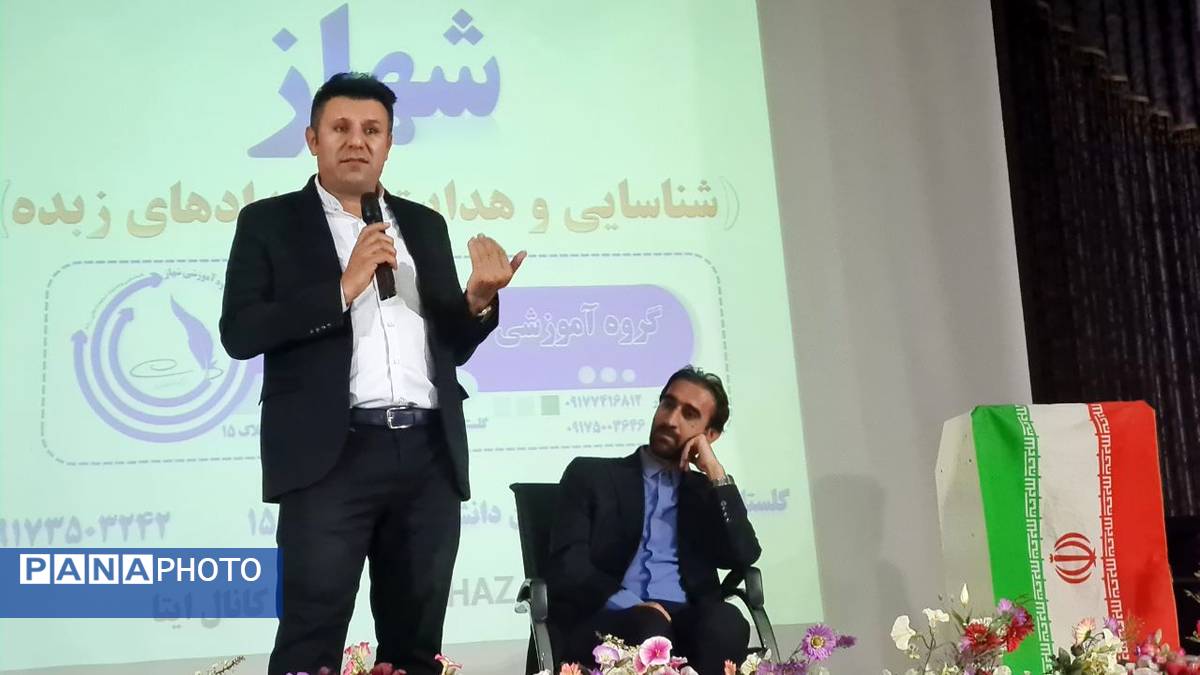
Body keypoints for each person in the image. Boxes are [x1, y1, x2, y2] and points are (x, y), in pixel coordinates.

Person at [219, 72, 524, 675]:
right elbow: (240, 333)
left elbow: (452, 349)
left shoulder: (425, 225)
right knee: (311, 637)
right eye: (340, 128)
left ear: (389, 142)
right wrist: (342, 288)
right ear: (312, 139)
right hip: (329, 458)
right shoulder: (269, 223)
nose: (356, 141)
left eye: (372, 130)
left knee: (416, 644)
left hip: (429, 455)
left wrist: (478, 301)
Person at [545, 366, 761, 674]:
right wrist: (629, 603)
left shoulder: (706, 493)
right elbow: (568, 564)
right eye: (668, 404)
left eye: (689, 414)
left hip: (688, 616)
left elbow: (743, 555)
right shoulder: (592, 476)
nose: (671, 420)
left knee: (727, 622)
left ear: (710, 435)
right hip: (607, 616)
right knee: (649, 624)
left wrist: (716, 473)